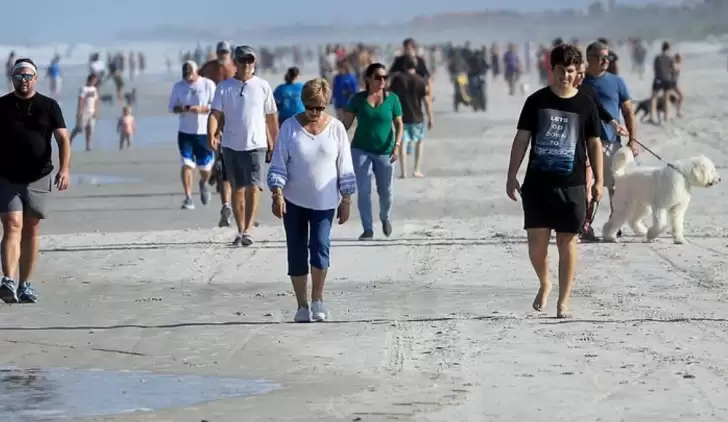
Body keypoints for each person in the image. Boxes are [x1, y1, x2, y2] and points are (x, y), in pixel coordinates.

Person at [506, 44, 604, 318]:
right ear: (553, 70)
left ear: (577, 73)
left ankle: (564, 300)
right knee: (536, 248)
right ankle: (544, 281)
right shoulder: (536, 101)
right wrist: (511, 173)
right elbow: (522, 138)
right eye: (561, 70)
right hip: (537, 184)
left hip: (572, 185)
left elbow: (594, 144)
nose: (565, 75)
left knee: (567, 243)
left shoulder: (585, 103)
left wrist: (598, 181)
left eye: (570, 71)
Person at [267, 78, 356, 322]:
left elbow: (345, 165)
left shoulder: (336, 128)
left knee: (320, 248)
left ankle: (318, 300)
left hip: (325, 202)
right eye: (310, 106)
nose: (315, 112)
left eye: (320, 107)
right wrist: (277, 194)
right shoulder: (289, 127)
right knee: (296, 253)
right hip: (293, 202)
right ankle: (302, 305)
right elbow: (278, 162)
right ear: (303, 103)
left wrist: (346, 198)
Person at [0, 58, 71, 304]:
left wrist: (65, 169)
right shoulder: (2, 106)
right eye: (18, 76)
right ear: (12, 79)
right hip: (7, 177)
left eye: (27, 76)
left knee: (31, 229)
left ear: (36, 78)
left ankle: (25, 284)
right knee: (11, 224)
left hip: (39, 177)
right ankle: (7, 280)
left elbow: (63, 139)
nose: (23, 80)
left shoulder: (49, 106)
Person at [208, 45, 278, 246]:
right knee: (237, 189)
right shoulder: (224, 87)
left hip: (257, 144)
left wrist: (276, 141)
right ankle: (239, 230)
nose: (247, 64)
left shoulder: (263, 86)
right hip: (231, 145)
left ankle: (248, 230)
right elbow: (216, 114)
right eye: (243, 60)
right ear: (235, 63)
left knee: (254, 187)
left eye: (250, 61)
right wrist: (211, 133)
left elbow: (271, 117)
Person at [342, 63, 403, 240]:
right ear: (368, 79)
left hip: (386, 150)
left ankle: (385, 216)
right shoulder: (358, 99)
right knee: (364, 189)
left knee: (386, 192)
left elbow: (399, 124)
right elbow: (344, 125)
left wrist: (397, 145)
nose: (382, 81)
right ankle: (367, 228)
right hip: (361, 149)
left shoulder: (393, 99)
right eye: (378, 77)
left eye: (385, 77)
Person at [574, 62, 628, 242]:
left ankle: (585, 227)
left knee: (589, 188)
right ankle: (569, 225)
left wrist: (614, 124)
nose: (581, 77)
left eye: (583, 73)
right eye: (578, 73)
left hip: (586, 145)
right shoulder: (559, 94)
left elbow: (600, 110)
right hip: (566, 148)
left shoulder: (587, 90)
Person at [583, 41, 638, 218]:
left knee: (616, 185)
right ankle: (585, 224)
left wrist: (633, 140)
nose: (605, 61)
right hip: (584, 142)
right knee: (586, 185)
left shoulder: (617, 82)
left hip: (611, 142)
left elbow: (628, 112)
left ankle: (615, 222)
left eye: (607, 57)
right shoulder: (579, 81)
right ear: (589, 58)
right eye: (600, 57)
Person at [169, 61, 217, 210]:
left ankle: (203, 183)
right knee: (187, 165)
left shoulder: (208, 85)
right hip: (185, 132)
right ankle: (188, 197)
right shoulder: (179, 87)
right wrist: (182, 108)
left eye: (190, 75)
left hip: (204, 132)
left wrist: (202, 109)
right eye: (185, 76)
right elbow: (171, 107)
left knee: (205, 169)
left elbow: (216, 106)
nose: (188, 79)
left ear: (197, 72)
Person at [200, 41, 237, 227]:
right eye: (220, 52)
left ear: (230, 53)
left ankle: (211, 181)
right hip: (213, 118)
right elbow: (196, 81)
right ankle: (226, 206)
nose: (223, 54)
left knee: (229, 165)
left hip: (233, 120)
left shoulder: (236, 67)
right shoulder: (209, 67)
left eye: (225, 52)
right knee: (222, 163)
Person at [388, 55, 432, 178]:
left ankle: (404, 172)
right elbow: (426, 101)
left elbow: (390, 96)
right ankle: (416, 169)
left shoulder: (398, 79)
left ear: (404, 66)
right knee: (419, 142)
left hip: (401, 117)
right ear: (415, 66)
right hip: (417, 117)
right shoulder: (421, 80)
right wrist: (430, 117)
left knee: (402, 143)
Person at [69, 74, 99, 151]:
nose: (94, 81)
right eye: (93, 80)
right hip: (84, 112)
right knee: (79, 129)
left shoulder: (94, 89)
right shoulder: (83, 88)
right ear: (89, 80)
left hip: (91, 112)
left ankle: (88, 145)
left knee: (90, 129)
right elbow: (81, 100)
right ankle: (69, 140)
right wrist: (79, 111)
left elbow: (96, 100)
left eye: (95, 80)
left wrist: (96, 111)